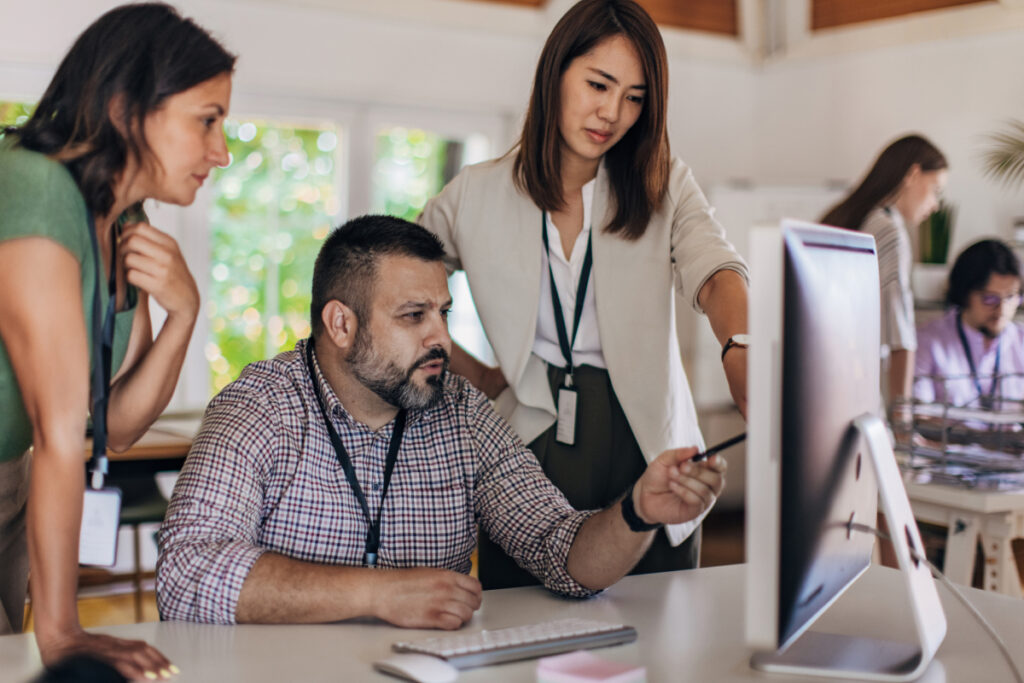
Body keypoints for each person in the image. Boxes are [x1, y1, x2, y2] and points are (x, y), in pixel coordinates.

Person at [155, 215, 727, 627]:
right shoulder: (259, 405)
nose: (441, 339)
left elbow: (560, 552)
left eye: (444, 313)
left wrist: (637, 512)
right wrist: (380, 594)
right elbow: (185, 573)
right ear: (341, 324)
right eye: (414, 316)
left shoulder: (462, 411)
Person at [417, 0, 749, 590]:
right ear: (556, 73)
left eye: (635, 97)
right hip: (528, 441)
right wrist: (467, 370)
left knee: (656, 637)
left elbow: (716, 269)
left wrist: (740, 346)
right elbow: (401, 283)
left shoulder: (663, 181)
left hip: (649, 443)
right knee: (520, 629)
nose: (612, 113)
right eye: (599, 84)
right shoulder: (477, 192)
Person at [0, 4, 235, 679]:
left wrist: (185, 312)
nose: (219, 151)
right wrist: (64, 630)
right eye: (207, 119)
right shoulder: (35, 189)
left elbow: (116, 427)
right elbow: (56, 429)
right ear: (127, 106)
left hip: (15, 483)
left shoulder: (119, 215)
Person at [820, 134, 948, 407]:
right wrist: (902, 418)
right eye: (936, 188)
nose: (936, 204)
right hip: (853, 384)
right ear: (913, 174)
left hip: (824, 376)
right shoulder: (888, 230)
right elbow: (899, 327)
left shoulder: (851, 216)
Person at [914, 239, 1024, 409]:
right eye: (989, 298)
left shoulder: (1020, 340)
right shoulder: (928, 340)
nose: (1002, 310)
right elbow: (916, 416)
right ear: (964, 294)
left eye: (1010, 297)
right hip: (946, 437)